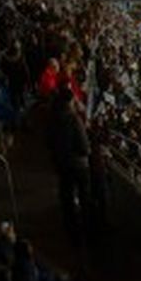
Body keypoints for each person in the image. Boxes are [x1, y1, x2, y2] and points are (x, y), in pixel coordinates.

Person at [43, 86, 91, 248]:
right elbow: (84, 147)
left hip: (61, 165)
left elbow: (48, 143)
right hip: (78, 165)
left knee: (67, 196)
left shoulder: (50, 119)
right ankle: (86, 228)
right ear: (70, 101)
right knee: (84, 195)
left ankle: (71, 227)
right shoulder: (73, 119)